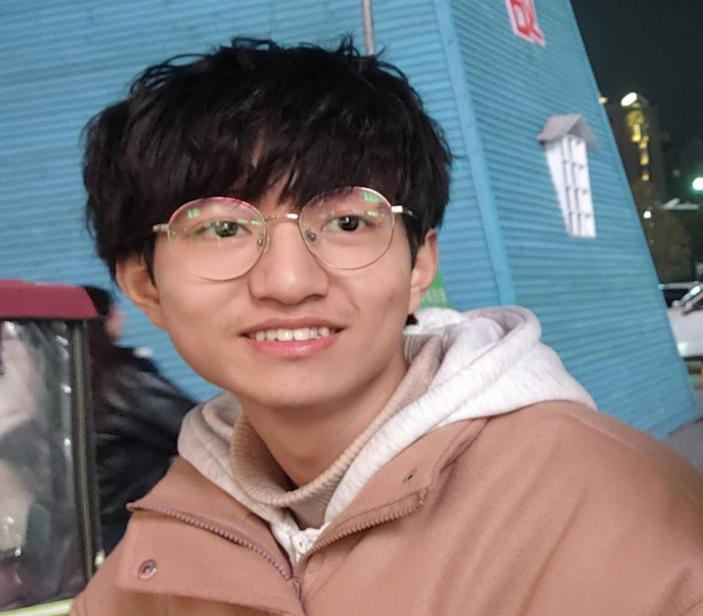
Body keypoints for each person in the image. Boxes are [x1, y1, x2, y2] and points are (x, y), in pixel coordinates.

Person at [72, 39, 703, 615]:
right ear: (144, 285)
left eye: (347, 223)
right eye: (223, 228)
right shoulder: (163, 541)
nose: (288, 282)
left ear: (420, 264)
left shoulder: (631, 519)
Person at [82, 285, 195, 553]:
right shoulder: (120, 378)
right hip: (127, 524)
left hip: (93, 525)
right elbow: (194, 428)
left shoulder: (64, 376)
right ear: (109, 318)